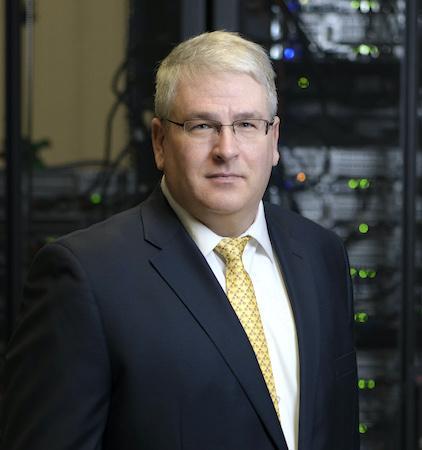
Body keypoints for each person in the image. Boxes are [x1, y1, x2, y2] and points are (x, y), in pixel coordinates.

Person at [1, 31, 359, 450]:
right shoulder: (85, 276)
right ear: (159, 142)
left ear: (273, 140)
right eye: (202, 125)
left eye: (246, 124)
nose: (227, 149)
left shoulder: (321, 255)